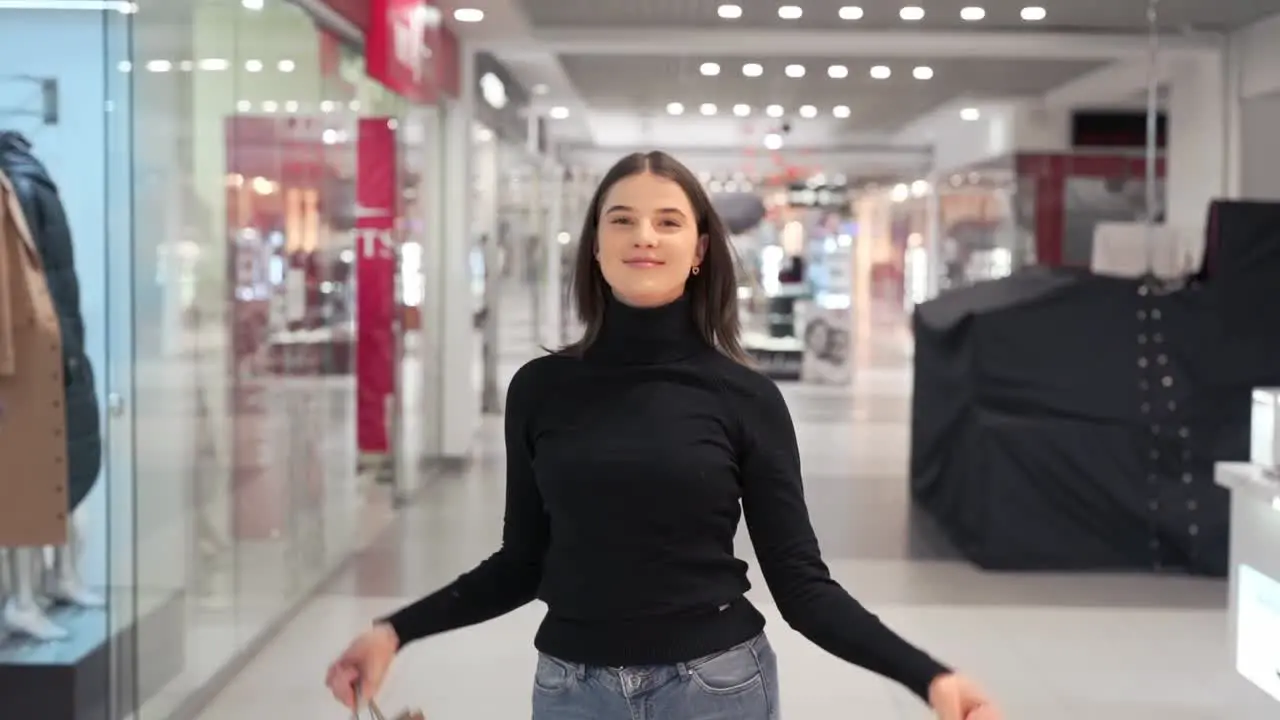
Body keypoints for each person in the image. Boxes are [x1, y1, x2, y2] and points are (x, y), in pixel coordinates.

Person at [325, 151, 1002, 720]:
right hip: (570, 690)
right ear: (596, 244)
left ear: (700, 249)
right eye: (622, 220)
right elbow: (522, 564)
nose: (644, 236)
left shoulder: (746, 398)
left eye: (667, 221)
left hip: (714, 687)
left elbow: (802, 587)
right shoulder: (540, 389)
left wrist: (930, 679)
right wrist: (393, 632)